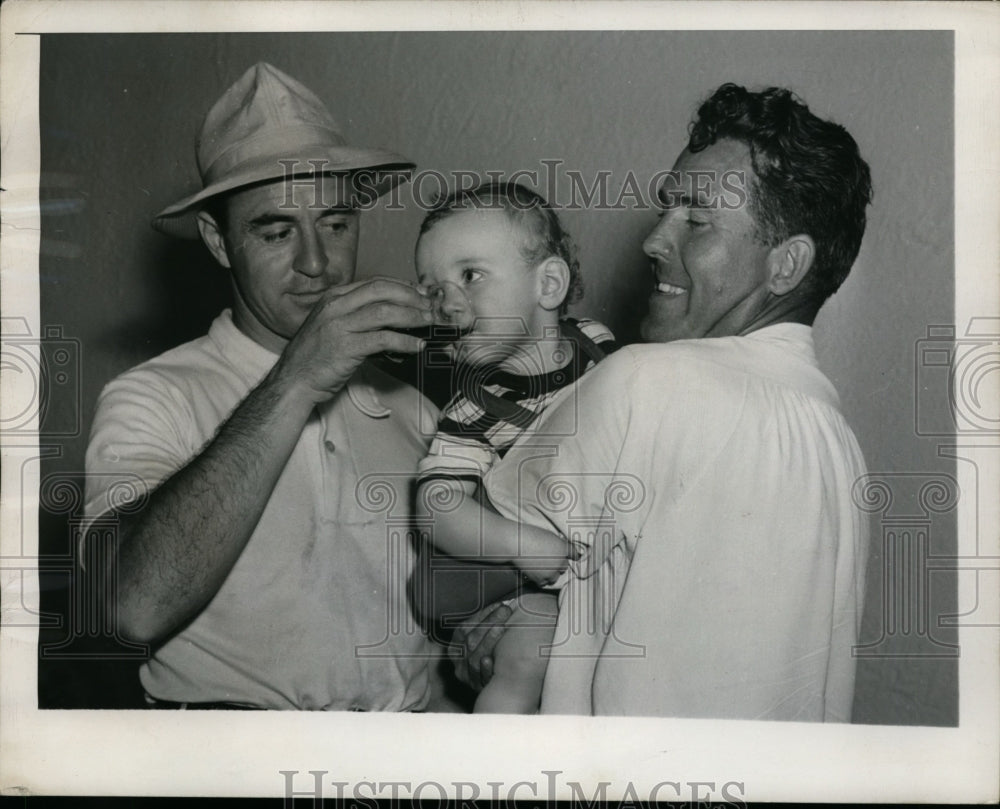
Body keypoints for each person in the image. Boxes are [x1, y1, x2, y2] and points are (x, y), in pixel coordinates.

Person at [455, 83, 873, 720]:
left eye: (696, 221)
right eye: (666, 211)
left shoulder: (649, 382)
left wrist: (529, 613)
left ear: (785, 267)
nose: (654, 240)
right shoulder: (837, 443)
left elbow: (453, 578)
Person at [82, 62, 447, 711]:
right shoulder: (153, 396)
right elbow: (132, 609)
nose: (317, 262)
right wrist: (296, 378)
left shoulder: (411, 406)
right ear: (218, 242)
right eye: (276, 232)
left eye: (336, 224)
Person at [409, 182, 617, 713]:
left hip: (608, 567)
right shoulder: (471, 409)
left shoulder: (600, 349)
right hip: (528, 582)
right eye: (432, 289)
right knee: (529, 650)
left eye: (470, 276)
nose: (446, 303)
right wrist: (520, 544)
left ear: (547, 283)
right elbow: (436, 508)